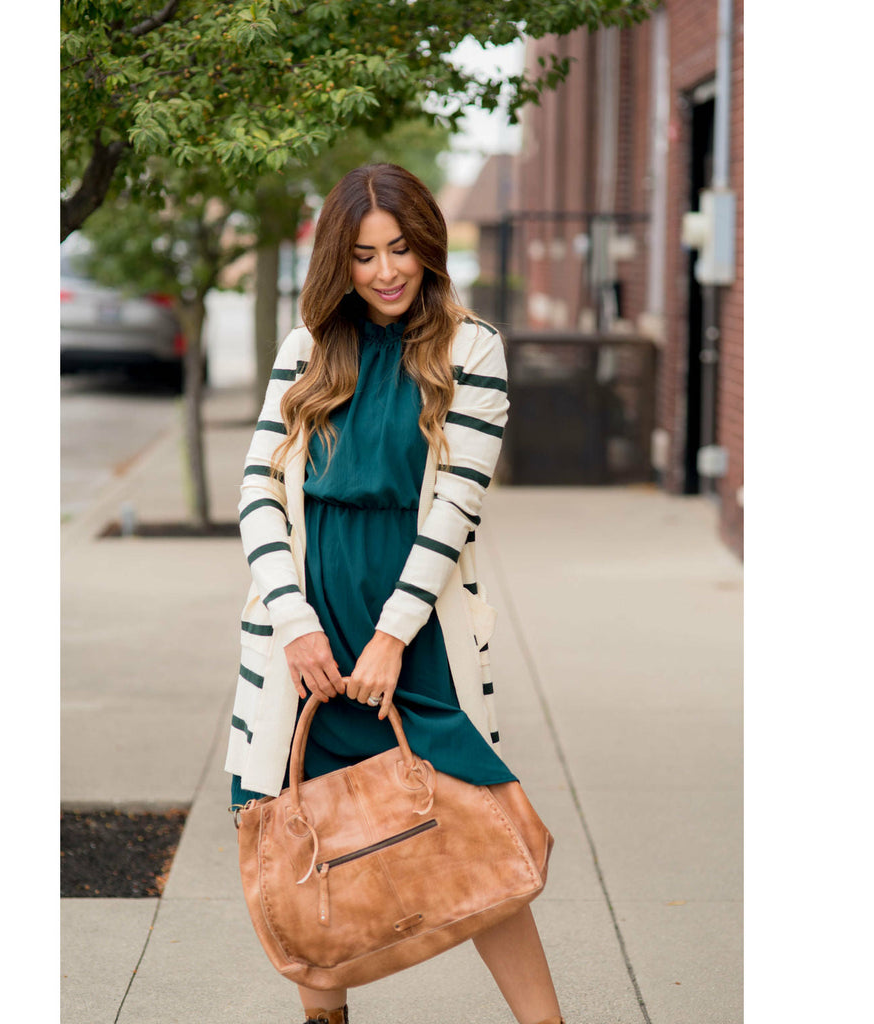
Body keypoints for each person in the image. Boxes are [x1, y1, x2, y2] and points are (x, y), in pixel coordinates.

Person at [224, 163, 564, 1024]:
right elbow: (258, 490)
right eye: (366, 254)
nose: (385, 272)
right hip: (307, 632)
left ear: (429, 247)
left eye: (401, 249)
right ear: (340, 259)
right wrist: (296, 627)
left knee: (480, 839)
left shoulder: (469, 346)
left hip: (413, 635)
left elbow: (455, 509)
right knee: (311, 849)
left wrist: (390, 636)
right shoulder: (306, 347)